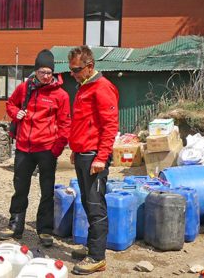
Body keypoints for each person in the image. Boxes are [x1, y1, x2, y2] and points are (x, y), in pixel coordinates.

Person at [0, 49, 70, 248]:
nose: (46, 76)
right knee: (20, 188)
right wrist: (15, 114)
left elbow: (65, 124)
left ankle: (45, 230)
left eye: (49, 72)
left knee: (47, 191)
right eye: (42, 72)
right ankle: (15, 225)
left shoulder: (61, 95)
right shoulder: (24, 88)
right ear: (35, 71)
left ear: (53, 73)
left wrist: (56, 149)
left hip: (47, 149)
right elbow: (10, 104)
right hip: (23, 147)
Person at [67, 46, 119, 275]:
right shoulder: (83, 87)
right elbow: (82, 123)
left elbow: (110, 126)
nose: (73, 74)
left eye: (76, 69)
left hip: (94, 157)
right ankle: (91, 246)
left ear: (90, 66)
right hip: (82, 153)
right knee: (88, 202)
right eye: (71, 70)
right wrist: (75, 149)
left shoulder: (102, 88)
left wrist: (101, 157)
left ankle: (97, 257)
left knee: (96, 204)